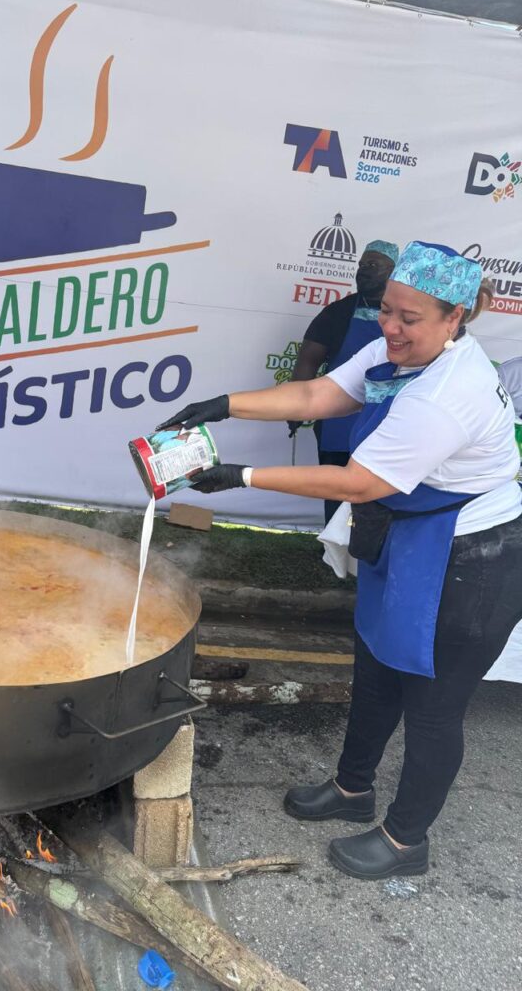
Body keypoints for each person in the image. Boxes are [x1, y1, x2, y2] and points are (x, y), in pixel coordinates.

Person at [159, 241, 522, 880]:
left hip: (473, 558)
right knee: (378, 668)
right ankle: (354, 789)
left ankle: (408, 841)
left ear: (454, 319)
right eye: (387, 311)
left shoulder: (449, 391)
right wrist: (223, 405)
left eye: (410, 318)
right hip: (409, 537)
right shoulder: (396, 351)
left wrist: (240, 474)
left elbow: (356, 483)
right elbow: (317, 397)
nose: (390, 328)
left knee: (434, 707)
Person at [288, 239, 399, 523]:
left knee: (381, 491)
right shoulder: (338, 312)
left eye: (373, 265)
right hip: (338, 420)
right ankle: (333, 550)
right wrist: (295, 408)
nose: (364, 270)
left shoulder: (406, 316)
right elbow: (309, 359)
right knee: (336, 488)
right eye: (362, 264)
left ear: (393, 271)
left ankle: (368, 552)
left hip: (388, 419)